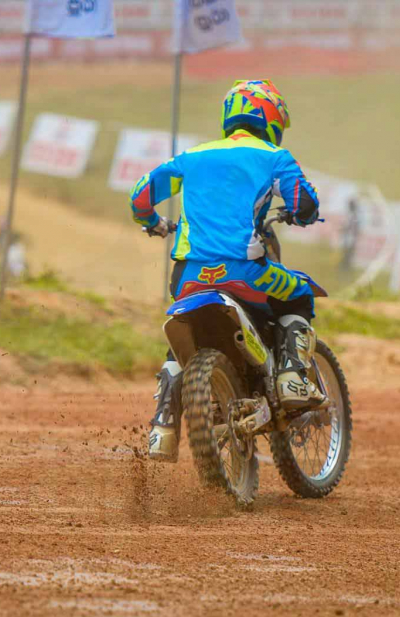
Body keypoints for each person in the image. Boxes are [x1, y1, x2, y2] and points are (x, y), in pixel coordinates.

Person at [129, 79, 323, 462]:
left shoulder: (191, 156)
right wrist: (302, 215)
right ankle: (291, 378)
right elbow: (304, 201)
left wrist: (153, 222)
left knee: (180, 340)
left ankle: (162, 427)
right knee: (300, 293)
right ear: (270, 120)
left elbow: (140, 197)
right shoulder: (274, 156)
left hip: (188, 278)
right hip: (246, 273)